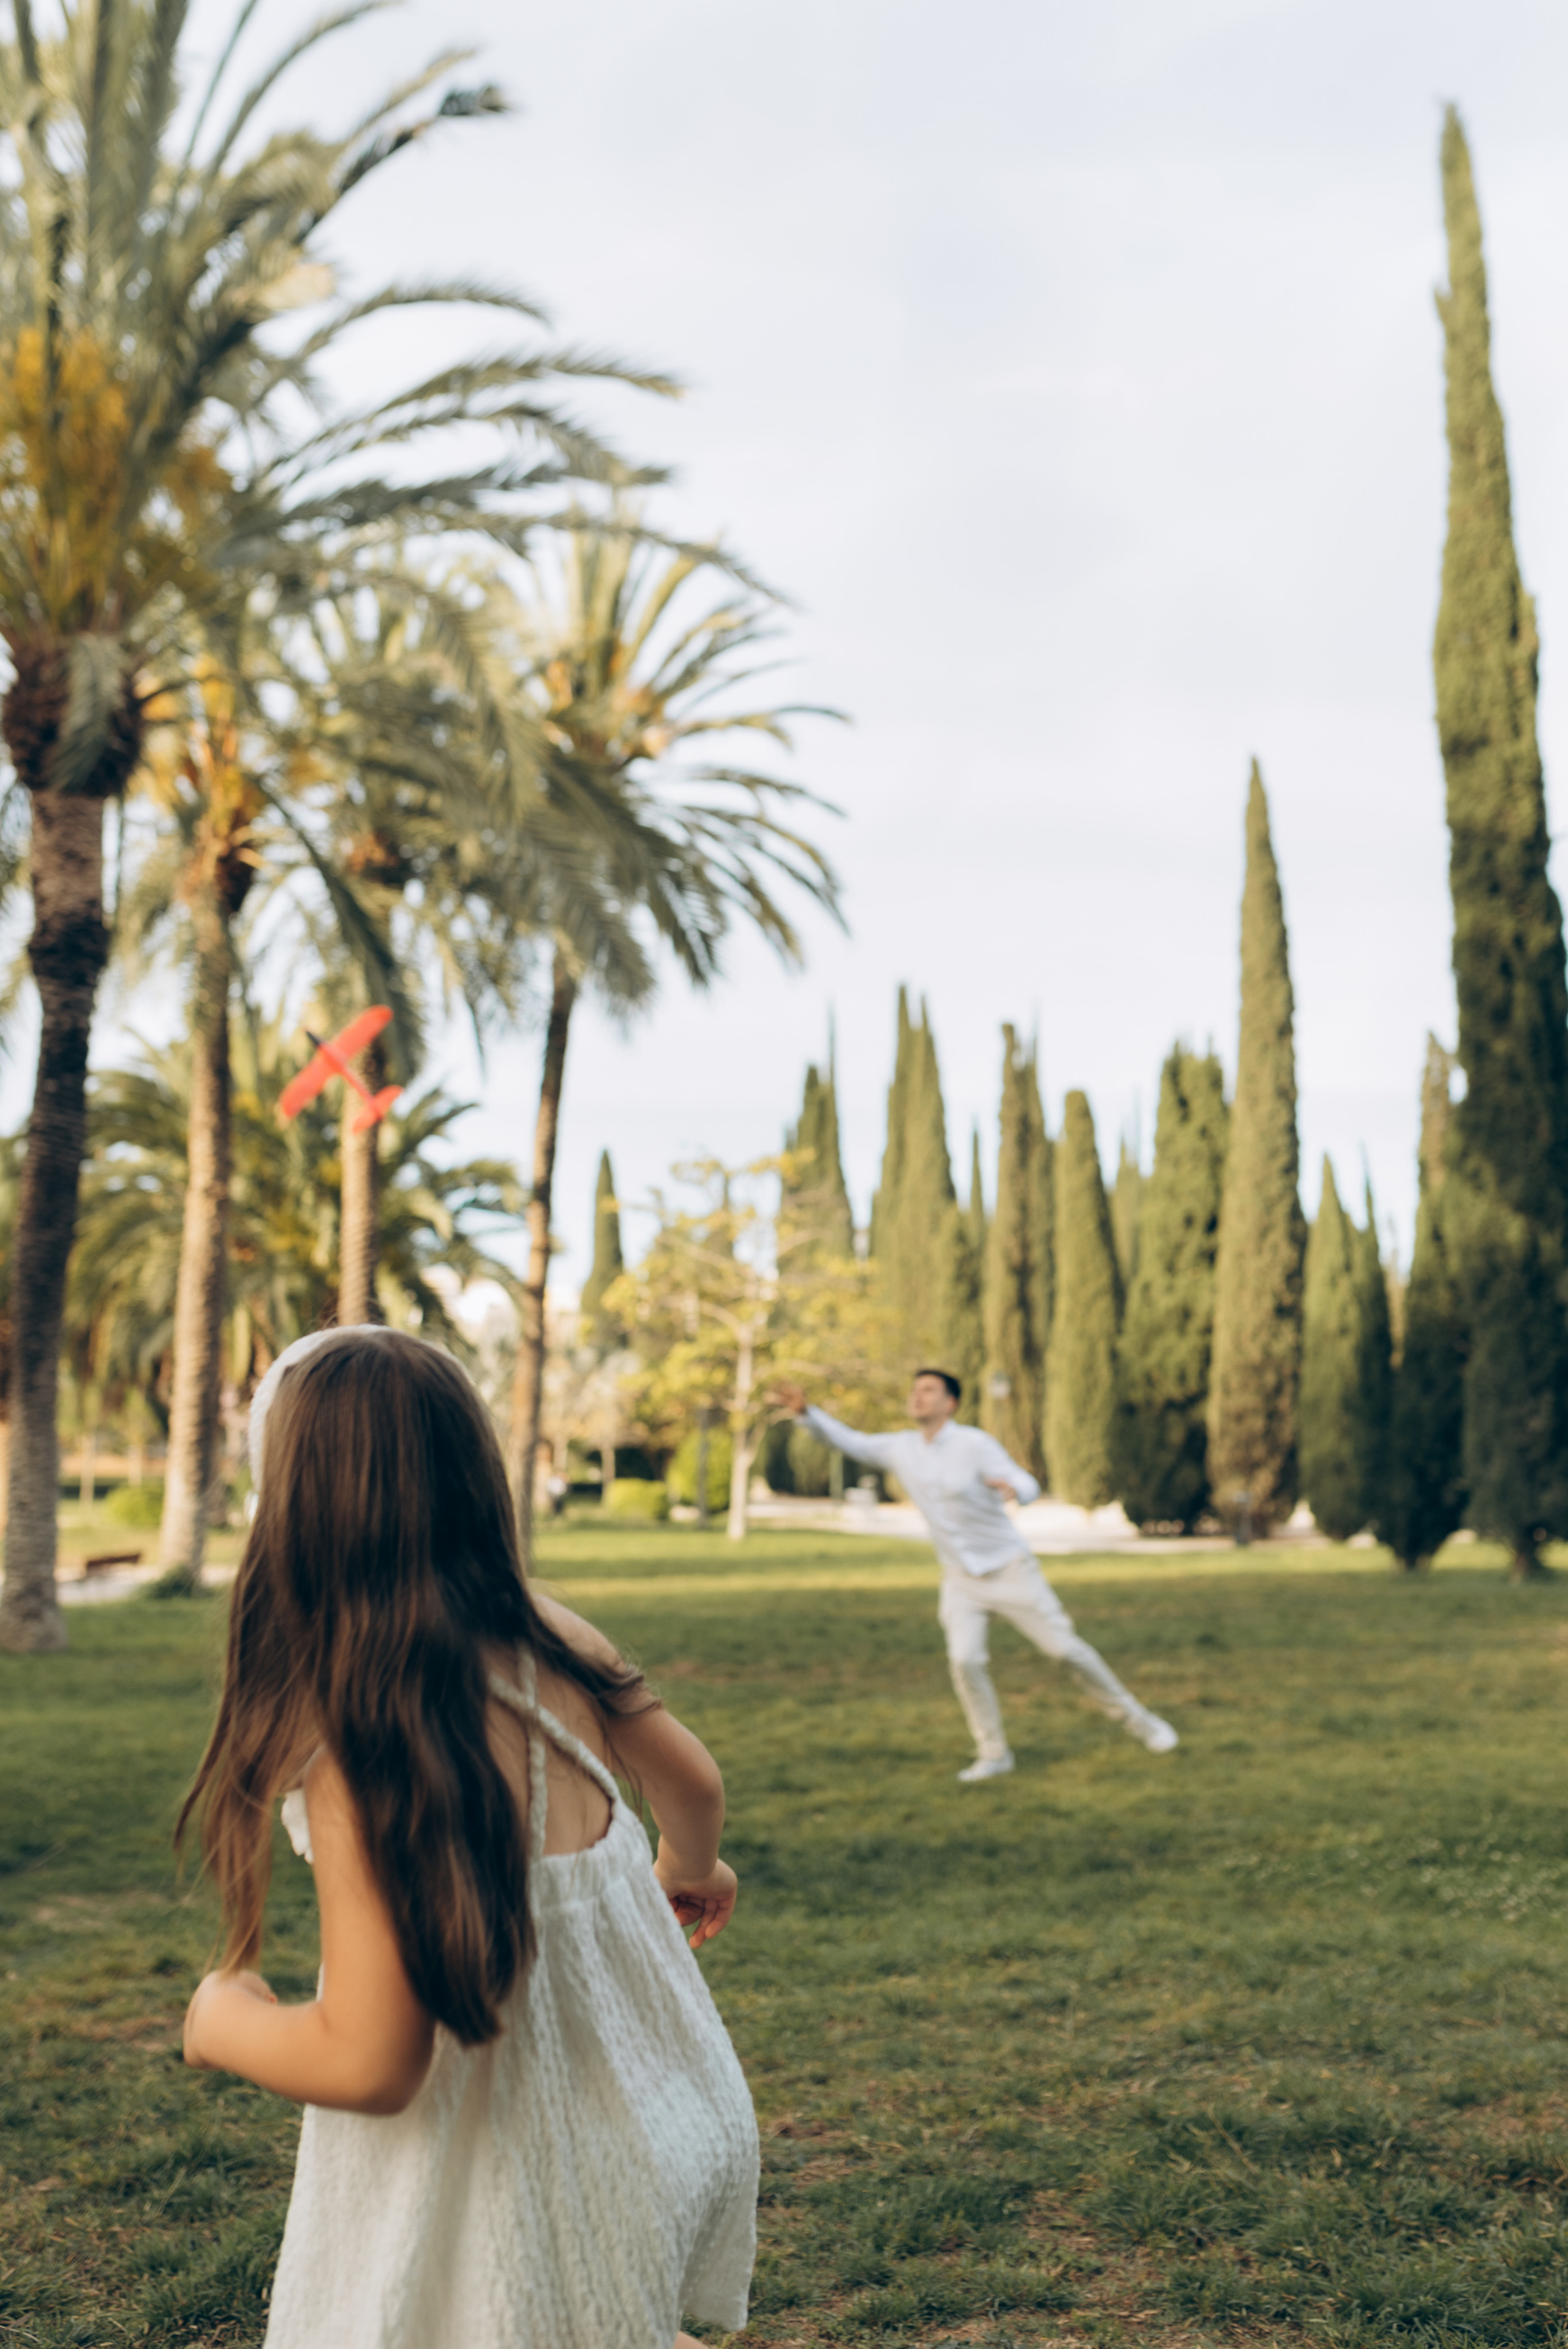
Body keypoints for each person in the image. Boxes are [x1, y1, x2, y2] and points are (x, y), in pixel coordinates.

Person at [179, 1326, 758, 2349]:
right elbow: (694, 1780)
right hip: (635, 2125)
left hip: (489, 2179)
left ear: (298, 1501)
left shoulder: (366, 1743)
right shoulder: (550, 1630)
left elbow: (372, 2060)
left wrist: (223, 2016)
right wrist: (690, 1864)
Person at [774, 1368, 1178, 1782]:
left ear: (950, 1403)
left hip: (1010, 1570)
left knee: (1064, 1651)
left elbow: (1024, 1480)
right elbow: (850, 1441)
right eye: (915, 1390)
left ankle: (1141, 1721)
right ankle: (993, 1752)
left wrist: (1015, 1489)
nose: (918, 1397)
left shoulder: (974, 1444)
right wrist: (808, 1413)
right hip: (960, 1580)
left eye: (928, 1390)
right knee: (965, 1661)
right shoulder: (900, 1448)